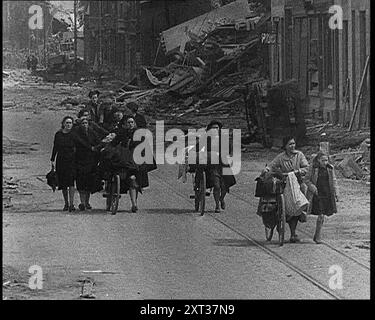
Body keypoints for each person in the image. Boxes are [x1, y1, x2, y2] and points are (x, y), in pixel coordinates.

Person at [263, 135, 309, 243]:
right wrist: (266, 170)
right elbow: (272, 165)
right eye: (290, 144)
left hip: (298, 182)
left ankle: (301, 214)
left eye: (293, 143)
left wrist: (298, 172)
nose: (292, 146)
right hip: (284, 183)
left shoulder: (299, 155)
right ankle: (278, 217)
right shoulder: (281, 157)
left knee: (303, 191)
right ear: (285, 146)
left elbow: (306, 167)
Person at [111, 116, 155, 212]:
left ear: (134, 123)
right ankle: (132, 202)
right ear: (125, 124)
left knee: (134, 181)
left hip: (136, 160)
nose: (130, 124)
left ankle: (134, 204)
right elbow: (114, 144)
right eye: (128, 122)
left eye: (132, 122)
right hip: (124, 160)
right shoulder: (122, 134)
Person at [197, 120, 236, 213]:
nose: (215, 130)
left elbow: (230, 150)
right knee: (217, 186)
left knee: (225, 186)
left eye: (217, 128)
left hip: (223, 164)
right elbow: (198, 148)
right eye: (213, 128)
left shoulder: (224, 139)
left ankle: (221, 199)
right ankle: (217, 206)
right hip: (212, 165)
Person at [305, 151, 338, 244]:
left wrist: (336, 193)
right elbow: (306, 179)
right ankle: (318, 236)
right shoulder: (313, 168)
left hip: (327, 194)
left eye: (326, 160)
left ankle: (317, 235)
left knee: (323, 215)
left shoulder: (330, 168)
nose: (325, 162)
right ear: (318, 160)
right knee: (321, 214)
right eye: (323, 160)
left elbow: (334, 180)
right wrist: (312, 187)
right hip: (317, 194)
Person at [73, 117, 101, 211]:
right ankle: (82, 202)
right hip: (80, 159)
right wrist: (91, 148)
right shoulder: (77, 133)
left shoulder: (92, 132)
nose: (84, 125)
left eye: (86, 123)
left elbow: (98, 142)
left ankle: (87, 202)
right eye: (83, 123)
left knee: (88, 182)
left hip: (91, 160)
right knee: (80, 181)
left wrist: (97, 148)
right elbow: (80, 142)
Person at [50, 116, 76, 212]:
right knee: (63, 183)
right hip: (61, 160)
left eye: (70, 123)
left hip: (72, 160)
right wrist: (52, 159)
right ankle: (66, 203)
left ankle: (72, 204)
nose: (69, 124)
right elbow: (55, 147)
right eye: (67, 123)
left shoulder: (74, 135)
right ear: (63, 124)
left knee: (71, 182)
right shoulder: (58, 134)